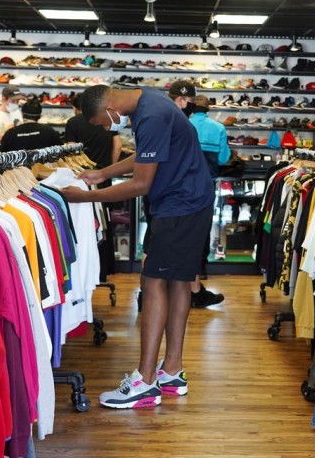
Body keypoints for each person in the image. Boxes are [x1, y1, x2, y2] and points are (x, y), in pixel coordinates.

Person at [60, 84, 214, 409]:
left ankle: (145, 382)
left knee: (152, 280)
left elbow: (141, 183)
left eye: (102, 123)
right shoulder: (148, 99)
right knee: (178, 280)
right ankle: (172, 371)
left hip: (180, 204)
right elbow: (143, 157)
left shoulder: (151, 116)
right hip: (188, 200)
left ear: (110, 108)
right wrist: (102, 173)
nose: (106, 128)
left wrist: (86, 197)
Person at [167, 81, 226, 308]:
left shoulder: (181, 123)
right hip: (205, 185)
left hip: (177, 187)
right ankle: (196, 283)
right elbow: (223, 159)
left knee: (173, 238)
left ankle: (172, 287)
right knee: (198, 236)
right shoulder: (218, 128)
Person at [64, 94, 121, 170]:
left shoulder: (72, 122)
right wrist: (112, 167)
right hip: (105, 170)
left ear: (74, 108)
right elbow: (118, 146)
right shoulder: (108, 119)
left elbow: (71, 149)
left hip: (84, 170)